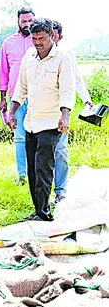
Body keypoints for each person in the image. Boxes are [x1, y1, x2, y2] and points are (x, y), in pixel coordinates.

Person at [8, 18, 75, 221]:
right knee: (32, 171)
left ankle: (44, 213)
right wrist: (12, 112)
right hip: (30, 123)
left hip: (51, 122)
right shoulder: (29, 57)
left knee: (44, 169)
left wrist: (65, 115)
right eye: (35, 39)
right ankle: (38, 209)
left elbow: (67, 90)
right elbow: (21, 88)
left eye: (42, 38)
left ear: (52, 36)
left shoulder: (62, 59)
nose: (38, 43)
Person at [50, 20, 94, 203]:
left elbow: (77, 79)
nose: (49, 39)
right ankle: (43, 190)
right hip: (41, 111)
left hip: (62, 110)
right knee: (43, 152)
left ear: (59, 37)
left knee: (60, 149)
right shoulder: (35, 55)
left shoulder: (67, 55)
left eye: (53, 35)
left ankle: (60, 190)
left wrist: (86, 98)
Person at [0, 8, 35, 185]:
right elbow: (4, 71)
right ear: (18, 22)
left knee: (37, 135)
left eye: (30, 21)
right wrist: (3, 97)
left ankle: (36, 172)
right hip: (16, 98)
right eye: (23, 21)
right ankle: (22, 174)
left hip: (38, 96)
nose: (27, 24)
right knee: (20, 136)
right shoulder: (8, 42)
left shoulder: (40, 40)